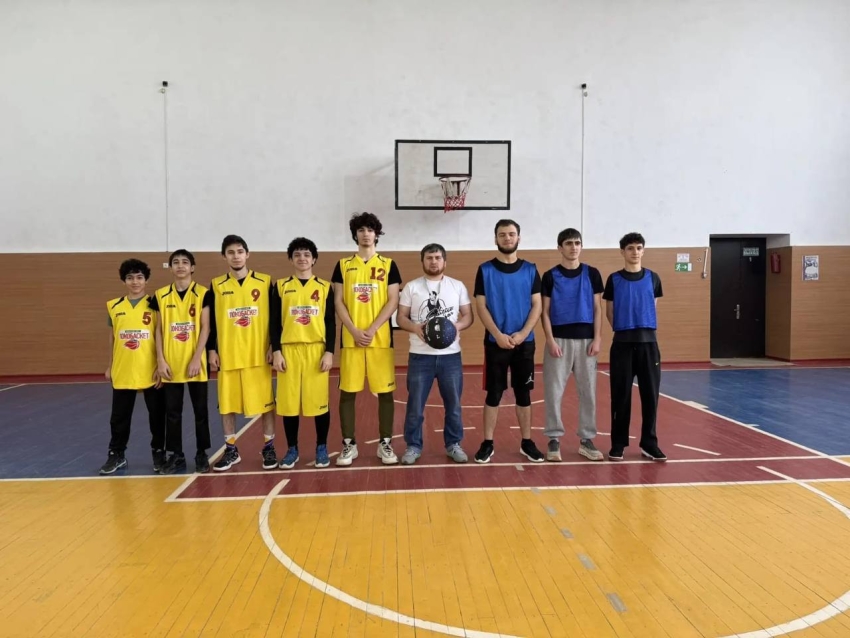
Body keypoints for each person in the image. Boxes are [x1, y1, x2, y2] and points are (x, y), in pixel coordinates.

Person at [331, 212, 401, 466]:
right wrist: (352, 329)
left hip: (380, 340)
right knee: (348, 391)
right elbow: (338, 301)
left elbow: (393, 300)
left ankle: (385, 443)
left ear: (376, 234)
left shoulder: (389, 264)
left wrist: (372, 329)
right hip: (351, 340)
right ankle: (349, 444)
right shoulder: (342, 265)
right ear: (355, 235)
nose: (365, 234)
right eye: (361, 230)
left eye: (370, 229)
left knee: (385, 392)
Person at [472, 219, 544, 463]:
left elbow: (537, 305)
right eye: (502, 234)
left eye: (511, 234)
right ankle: (487, 443)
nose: (507, 238)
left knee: (524, 394)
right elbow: (481, 306)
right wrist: (497, 334)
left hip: (525, 342)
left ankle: (527, 442)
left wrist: (523, 333)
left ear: (518, 238)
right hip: (496, 342)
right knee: (494, 394)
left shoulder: (531, 270)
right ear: (496, 239)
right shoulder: (485, 270)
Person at [397, 243, 474, 465]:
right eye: (429, 258)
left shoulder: (457, 286)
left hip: (451, 356)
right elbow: (401, 317)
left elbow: (468, 316)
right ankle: (413, 446)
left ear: (444, 261)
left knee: (453, 405)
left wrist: (455, 327)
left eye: (438, 257)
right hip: (420, 356)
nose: (433, 261)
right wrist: (415, 328)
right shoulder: (412, 287)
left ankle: (453, 444)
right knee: (415, 406)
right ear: (423, 261)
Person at [207, 235, 277, 471]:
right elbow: (211, 322)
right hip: (228, 356)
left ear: (248, 254)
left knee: (266, 405)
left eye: (239, 251)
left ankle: (269, 447)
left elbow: (275, 318)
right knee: (227, 406)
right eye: (230, 252)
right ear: (224, 257)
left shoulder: (265, 282)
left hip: (258, 355)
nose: (236, 256)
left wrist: (274, 346)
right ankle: (231, 450)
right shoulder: (217, 285)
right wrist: (212, 349)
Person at [270, 237, 335, 469]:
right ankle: (292, 449)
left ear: (314, 259)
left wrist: (329, 352)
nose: (302, 258)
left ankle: (321, 447)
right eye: (297, 254)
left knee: (319, 402)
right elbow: (274, 322)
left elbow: (330, 322)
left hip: (316, 349)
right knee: (288, 403)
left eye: (307, 254)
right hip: (289, 349)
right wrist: (276, 351)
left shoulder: (324, 287)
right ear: (291, 259)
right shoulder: (280, 286)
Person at [541, 228, 604, 462]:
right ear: (560, 247)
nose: (573, 247)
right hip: (559, 340)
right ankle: (553, 438)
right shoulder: (550, 276)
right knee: (554, 391)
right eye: (568, 243)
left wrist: (597, 338)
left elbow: (597, 309)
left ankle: (586, 440)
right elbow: (544, 312)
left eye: (577, 243)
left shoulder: (592, 273)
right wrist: (550, 339)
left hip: (587, 342)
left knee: (588, 392)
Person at [603, 232, 666, 462]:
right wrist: (624, 330)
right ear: (622, 252)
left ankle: (649, 443)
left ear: (643, 250)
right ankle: (618, 444)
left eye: (639, 248)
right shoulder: (614, 279)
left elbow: (652, 306)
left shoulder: (653, 278)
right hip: (622, 345)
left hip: (649, 344)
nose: (635, 252)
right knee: (621, 396)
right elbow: (610, 312)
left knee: (650, 396)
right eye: (630, 248)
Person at [99, 259, 166, 475]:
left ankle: (159, 453)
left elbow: (161, 336)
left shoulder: (156, 304)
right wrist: (110, 365)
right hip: (123, 369)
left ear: (146, 280)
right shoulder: (114, 306)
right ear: (124, 281)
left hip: (150, 369)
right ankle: (116, 454)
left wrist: (161, 364)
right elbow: (113, 338)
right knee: (119, 417)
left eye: (139, 277)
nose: (135, 282)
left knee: (157, 416)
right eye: (130, 278)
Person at [152, 249, 212, 474]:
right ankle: (176, 455)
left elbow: (206, 327)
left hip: (196, 363)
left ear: (192, 267)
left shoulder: (203, 293)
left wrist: (197, 358)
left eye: (185, 262)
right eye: (175, 262)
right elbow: (158, 330)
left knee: (200, 411)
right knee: (173, 413)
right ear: (170, 268)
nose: (180, 266)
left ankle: (201, 453)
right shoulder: (160, 295)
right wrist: (160, 360)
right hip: (171, 362)